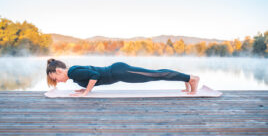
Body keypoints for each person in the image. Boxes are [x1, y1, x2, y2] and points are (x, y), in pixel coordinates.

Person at [46, 58, 200, 97]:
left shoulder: (72, 72)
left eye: (55, 78)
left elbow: (95, 75)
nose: (57, 81)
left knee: (154, 75)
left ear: (59, 71)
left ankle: (191, 78)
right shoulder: (74, 73)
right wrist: (84, 89)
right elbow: (93, 76)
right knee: (154, 74)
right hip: (117, 71)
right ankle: (186, 79)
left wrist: (86, 92)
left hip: (119, 72)